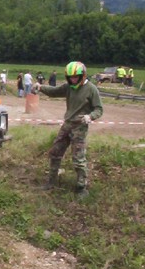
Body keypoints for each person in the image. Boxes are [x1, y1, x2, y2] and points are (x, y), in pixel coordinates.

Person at [36, 61, 103, 199]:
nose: (73, 79)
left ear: (82, 76)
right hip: (67, 124)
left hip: (80, 126)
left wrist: (90, 116)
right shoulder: (69, 87)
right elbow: (54, 91)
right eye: (70, 77)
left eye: (75, 77)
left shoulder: (91, 89)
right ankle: (51, 181)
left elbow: (99, 109)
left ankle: (81, 187)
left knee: (78, 158)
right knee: (55, 152)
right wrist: (40, 87)